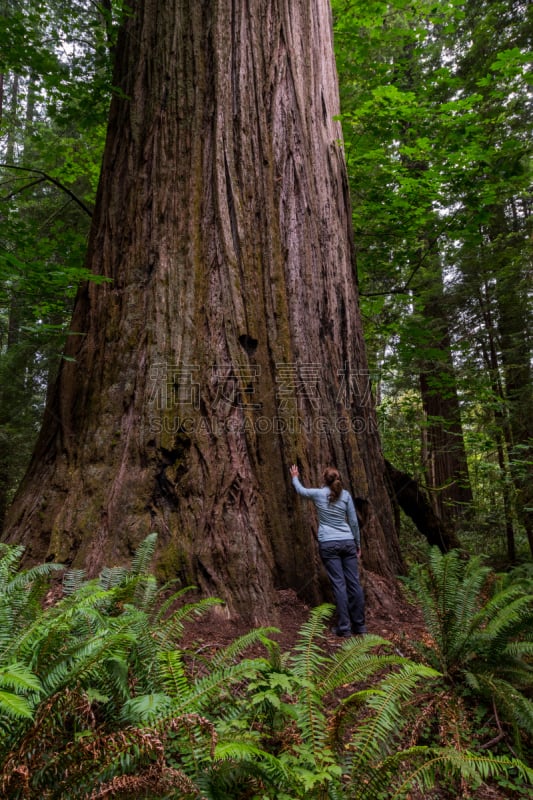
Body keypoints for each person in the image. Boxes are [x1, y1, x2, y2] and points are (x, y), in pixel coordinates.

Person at [290, 464, 366, 637]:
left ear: (324, 479)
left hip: (328, 544)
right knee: (354, 583)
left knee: (339, 585)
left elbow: (301, 491)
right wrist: (357, 544)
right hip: (347, 542)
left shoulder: (318, 494)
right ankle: (360, 626)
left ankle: (344, 628)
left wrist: (295, 476)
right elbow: (353, 522)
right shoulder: (345, 495)